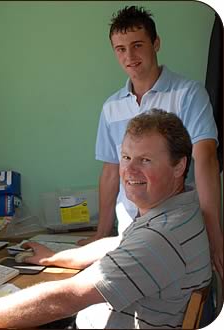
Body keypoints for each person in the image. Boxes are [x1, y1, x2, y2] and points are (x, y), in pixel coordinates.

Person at [0, 109, 211, 329]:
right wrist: (55, 258)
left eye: (145, 160)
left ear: (179, 166)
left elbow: (68, 296)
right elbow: (120, 243)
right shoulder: (179, 210)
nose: (129, 171)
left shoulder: (160, 237)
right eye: (126, 157)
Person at [77, 6, 222, 281]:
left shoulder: (188, 94)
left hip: (174, 231)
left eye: (137, 45)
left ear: (156, 43)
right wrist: (100, 233)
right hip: (128, 236)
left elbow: (206, 160)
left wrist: (215, 235)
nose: (129, 56)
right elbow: (111, 172)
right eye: (120, 49)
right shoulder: (111, 107)